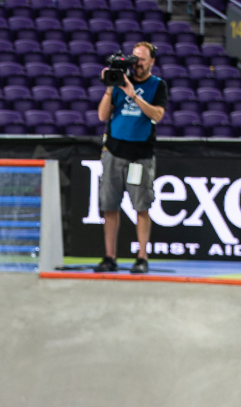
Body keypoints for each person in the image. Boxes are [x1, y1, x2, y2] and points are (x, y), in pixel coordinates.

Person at [95, 41, 167, 275]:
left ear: (152, 61)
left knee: (141, 207)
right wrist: (110, 87)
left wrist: (133, 95)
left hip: (140, 156)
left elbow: (157, 115)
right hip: (114, 152)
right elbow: (102, 115)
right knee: (109, 206)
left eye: (142, 59)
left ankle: (142, 257)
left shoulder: (157, 85)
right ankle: (109, 257)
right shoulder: (119, 82)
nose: (138, 64)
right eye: (135, 59)